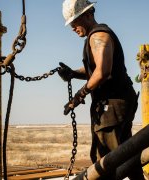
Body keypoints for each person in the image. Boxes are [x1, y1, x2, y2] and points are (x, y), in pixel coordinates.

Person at [58, 0, 144, 179]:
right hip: (119, 103)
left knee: (106, 160)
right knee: (126, 153)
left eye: (75, 22)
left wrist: (79, 95)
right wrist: (73, 73)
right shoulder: (98, 35)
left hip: (111, 106)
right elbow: (96, 70)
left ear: (88, 15)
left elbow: (102, 72)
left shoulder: (98, 37)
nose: (73, 28)